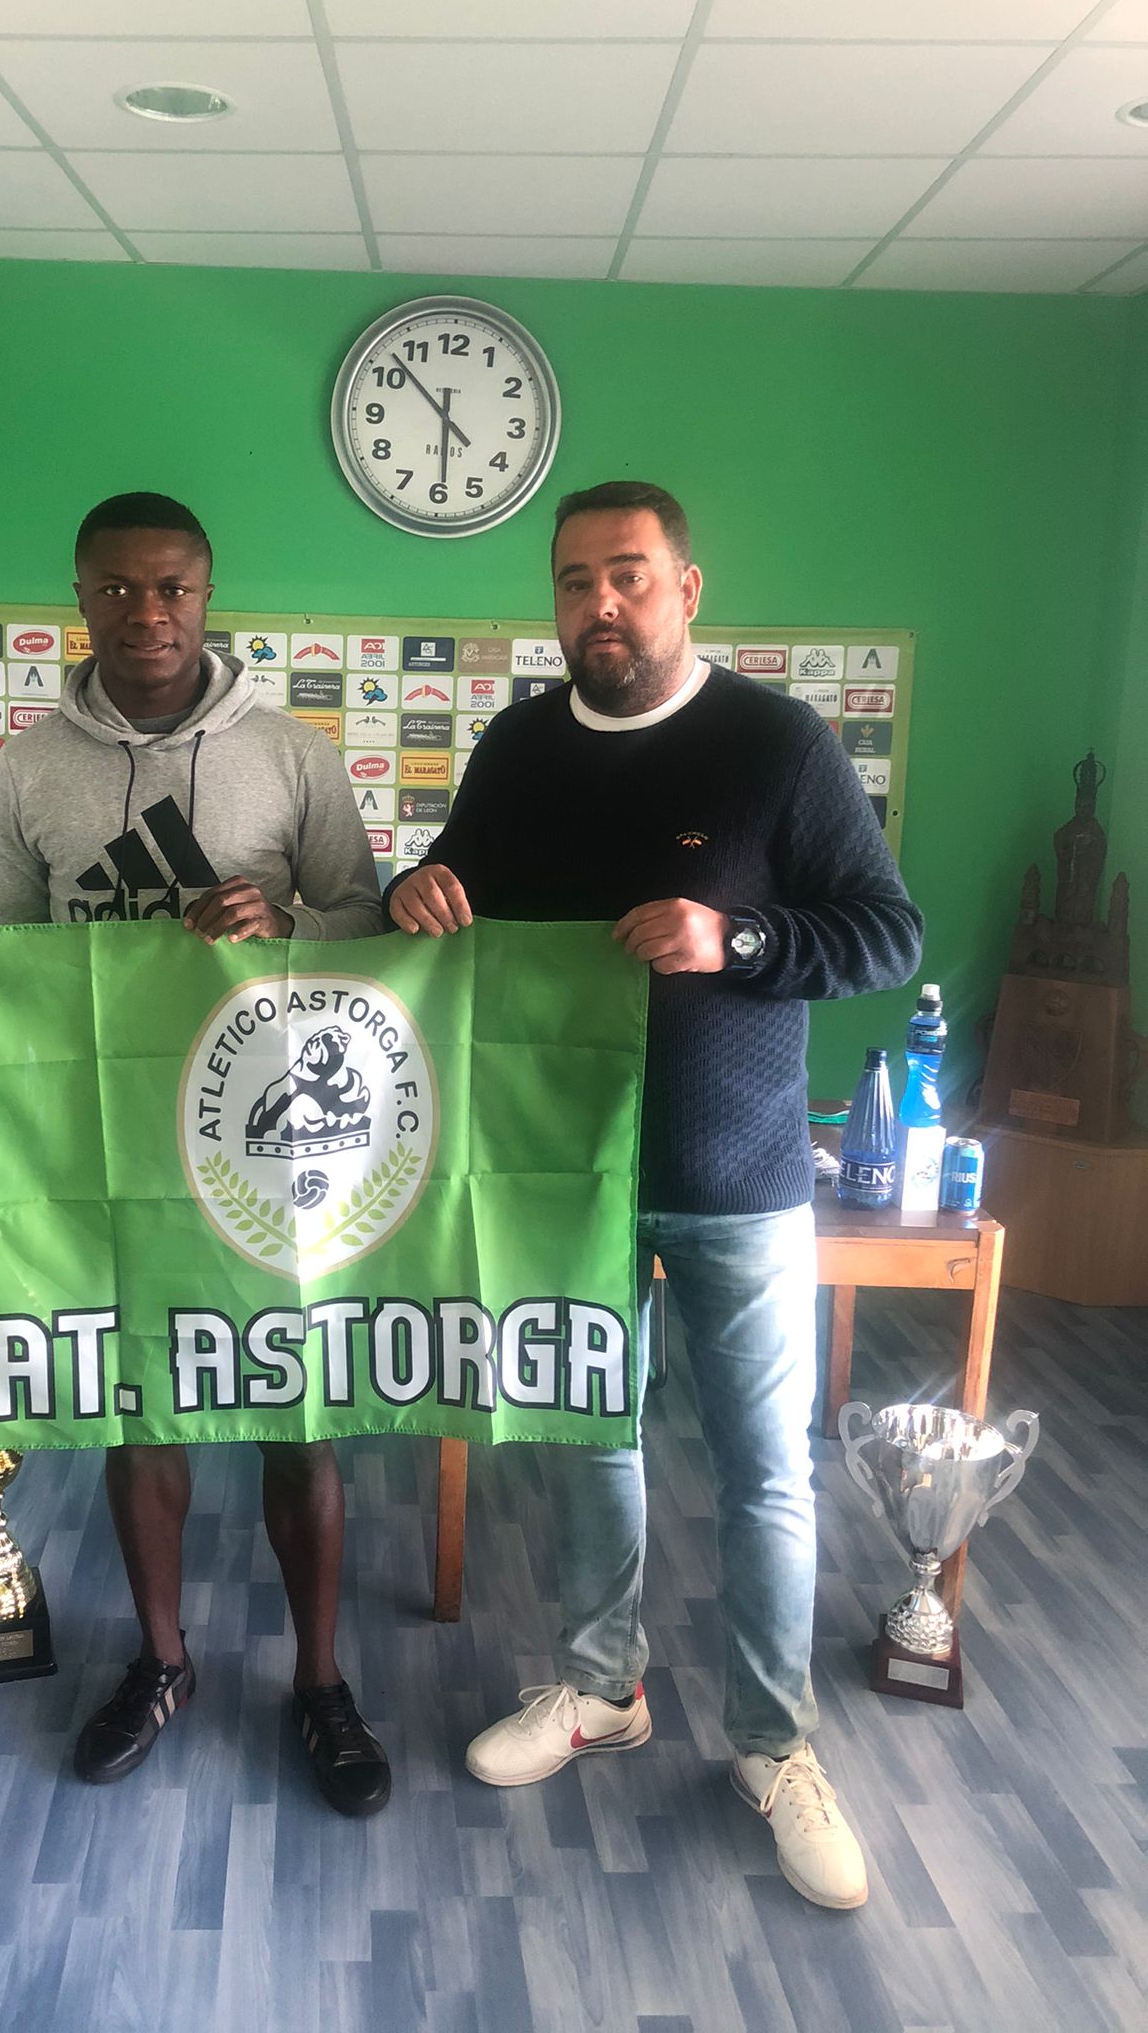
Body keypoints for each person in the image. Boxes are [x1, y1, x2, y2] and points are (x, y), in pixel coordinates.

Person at [386, 481, 923, 1909]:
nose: (599, 605)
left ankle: (774, 1746)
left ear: (687, 587)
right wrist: (412, 894)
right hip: (568, 1172)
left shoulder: (777, 745)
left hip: (741, 1178)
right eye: (574, 582)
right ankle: (598, 1689)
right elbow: (452, 892)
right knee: (588, 1444)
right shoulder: (517, 746)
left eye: (628, 576)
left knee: (764, 1476)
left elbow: (884, 932)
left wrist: (735, 934)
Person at [0, 491, 391, 1817]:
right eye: (116, 590)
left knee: (299, 1412)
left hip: (269, 1142)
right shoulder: (30, 768)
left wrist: (283, 914)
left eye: (171, 589)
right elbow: (9, 954)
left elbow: (364, 924)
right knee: (139, 1401)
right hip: (103, 1146)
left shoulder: (290, 755)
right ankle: (161, 1663)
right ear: (82, 596)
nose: (145, 614)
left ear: (207, 596)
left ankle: (321, 1682)